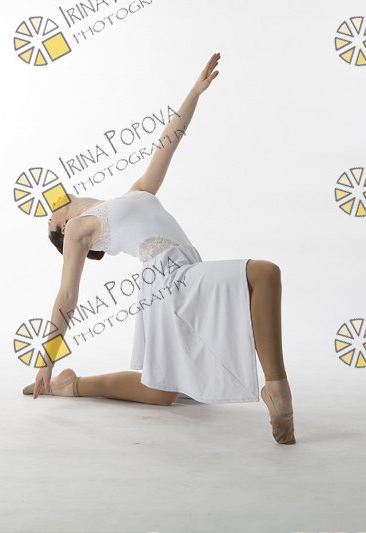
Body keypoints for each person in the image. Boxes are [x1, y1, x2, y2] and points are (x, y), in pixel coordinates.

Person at [22, 53, 295, 445]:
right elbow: (66, 296)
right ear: (63, 229)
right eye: (50, 218)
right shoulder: (81, 228)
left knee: (162, 393)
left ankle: (73, 386)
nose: (52, 208)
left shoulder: (136, 193)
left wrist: (195, 92)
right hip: (168, 280)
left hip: (184, 270)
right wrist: (46, 361)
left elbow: (170, 141)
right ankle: (277, 389)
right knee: (264, 273)